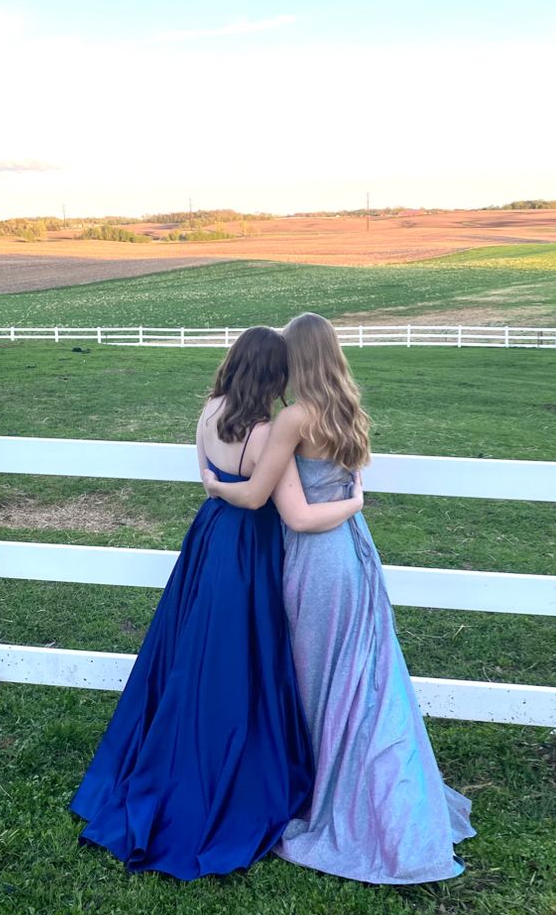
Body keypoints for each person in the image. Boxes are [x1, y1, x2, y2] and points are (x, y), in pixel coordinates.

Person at [70, 326, 362, 880]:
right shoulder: (266, 432)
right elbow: (259, 498)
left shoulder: (209, 411)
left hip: (208, 535)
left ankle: (170, 747)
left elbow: (208, 475)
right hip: (248, 545)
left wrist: (214, 487)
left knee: (192, 645)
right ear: (272, 375)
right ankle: (231, 758)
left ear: (233, 365)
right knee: (239, 652)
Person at [204, 313, 476, 885]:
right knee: (367, 679)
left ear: (298, 359)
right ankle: (392, 798)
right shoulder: (346, 408)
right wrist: (354, 505)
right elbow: (345, 484)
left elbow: (291, 513)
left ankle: (335, 803)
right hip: (356, 554)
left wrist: (214, 484)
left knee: (323, 683)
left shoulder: (294, 418)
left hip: (319, 560)